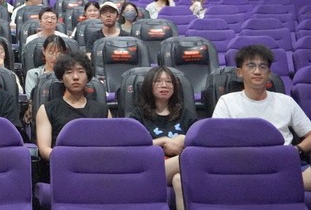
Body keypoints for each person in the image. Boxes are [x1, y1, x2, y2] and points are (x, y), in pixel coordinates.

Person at [172, 45, 311, 210]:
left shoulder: (286, 101)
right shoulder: (227, 101)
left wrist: (298, 150)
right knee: (180, 179)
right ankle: (272, 186)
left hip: (282, 166)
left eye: (263, 67)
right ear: (239, 72)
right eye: (251, 66)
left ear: (269, 73)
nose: (257, 71)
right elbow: (216, 142)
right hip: (240, 166)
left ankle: (271, 185)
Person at [35, 52, 109, 181]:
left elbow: (110, 146)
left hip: (96, 169)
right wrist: (70, 160)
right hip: (62, 169)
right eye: (69, 72)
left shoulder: (103, 110)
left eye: (81, 72)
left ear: (88, 76)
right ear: (61, 77)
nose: (75, 77)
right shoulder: (47, 109)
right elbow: (44, 149)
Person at [129, 67, 196, 184]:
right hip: (148, 167)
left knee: (179, 180)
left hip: (177, 168)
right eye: (158, 81)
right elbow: (132, 147)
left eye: (169, 82)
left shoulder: (185, 114)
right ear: (149, 85)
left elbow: (198, 143)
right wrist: (163, 141)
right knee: (189, 158)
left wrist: (183, 140)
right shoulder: (138, 114)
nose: (164, 85)